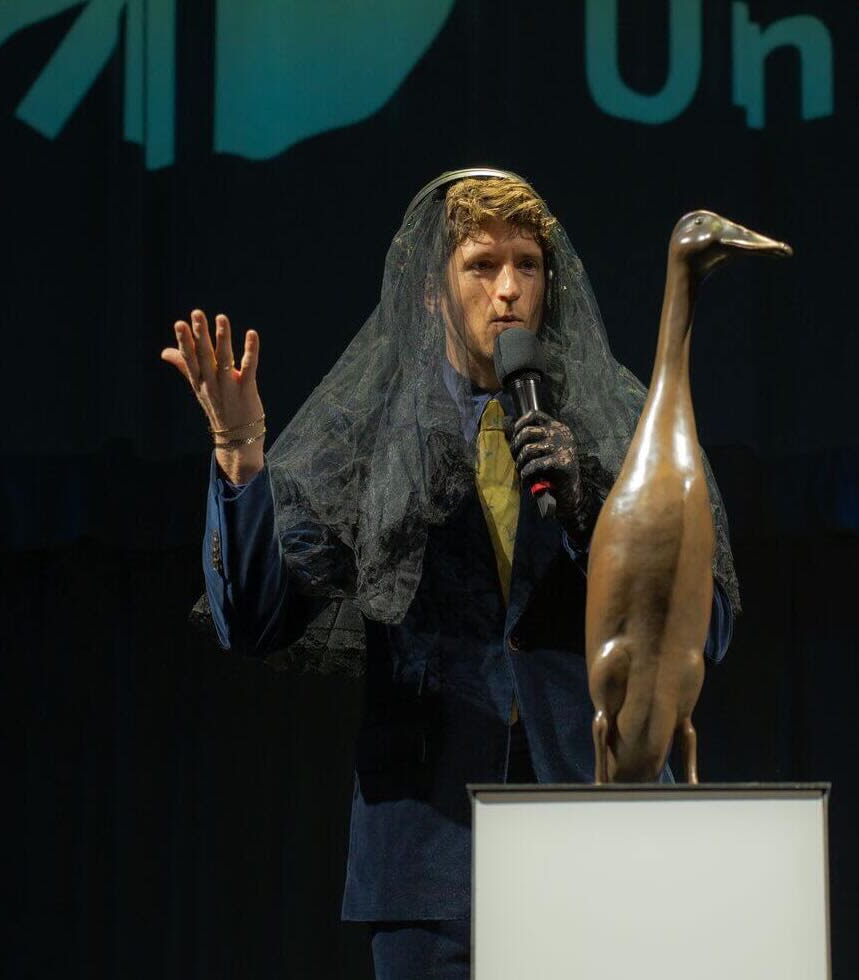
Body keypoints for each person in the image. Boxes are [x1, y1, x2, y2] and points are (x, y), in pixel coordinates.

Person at [162, 169, 738, 979]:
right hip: (427, 860)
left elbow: (704, 628)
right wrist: (239, 452)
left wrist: (590, 517)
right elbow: (256, 620)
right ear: (434, 291)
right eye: (481, 265)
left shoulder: (613, 430)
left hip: (590, 834)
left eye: (527, 265)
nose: (508, 289)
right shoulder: (372, 439)